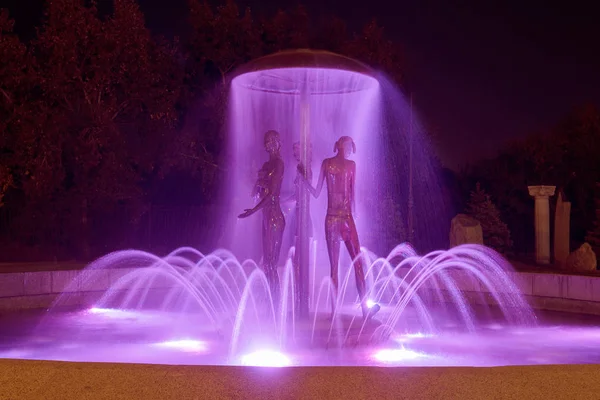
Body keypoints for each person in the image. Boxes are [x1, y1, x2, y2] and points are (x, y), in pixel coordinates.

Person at [300, 136, 380, 320]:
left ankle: (334, 312)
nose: (351, 150)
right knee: (357, 262)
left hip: (331, 220)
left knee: (334, 267)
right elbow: (352, 195)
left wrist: (304, 180)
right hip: (346, 219)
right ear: (342, 147)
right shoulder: (351, 165)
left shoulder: (326, 164)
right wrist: (356, 212)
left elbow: (316, 192)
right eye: (350, 146)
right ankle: (365, 309)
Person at [239, 130, 285, 307]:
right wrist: (256, 183)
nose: (267, 144)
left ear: (277, 142)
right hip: (266, 218)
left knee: (272, 263)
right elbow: (256, 193)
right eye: (266, 141)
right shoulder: (266, 166)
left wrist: (252, 211)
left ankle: (276, 302)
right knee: (266, 263)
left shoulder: (278, 164)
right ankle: (270, 300)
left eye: (271, 141)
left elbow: (272, 194)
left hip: (274, 217)